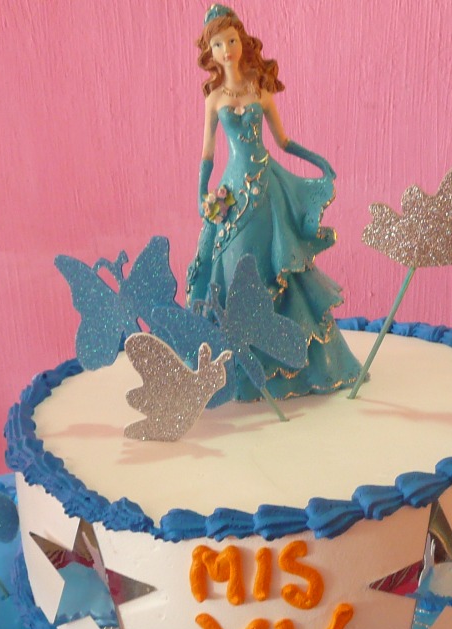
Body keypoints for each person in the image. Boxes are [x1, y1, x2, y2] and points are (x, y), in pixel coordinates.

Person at [186, 5, 362, 400]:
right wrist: (201, 192)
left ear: (242, 42)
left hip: (268, 190)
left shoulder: (259, 90)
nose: (226, 49)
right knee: (235, 269)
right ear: (210, 53)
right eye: (218, 44)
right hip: (233, 196)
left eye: (231, 40)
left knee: (277, 266)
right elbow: (207, 153)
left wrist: (317, 161)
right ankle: (242, 373)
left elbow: (283, 141)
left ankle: (298, 368)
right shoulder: (214, 100)